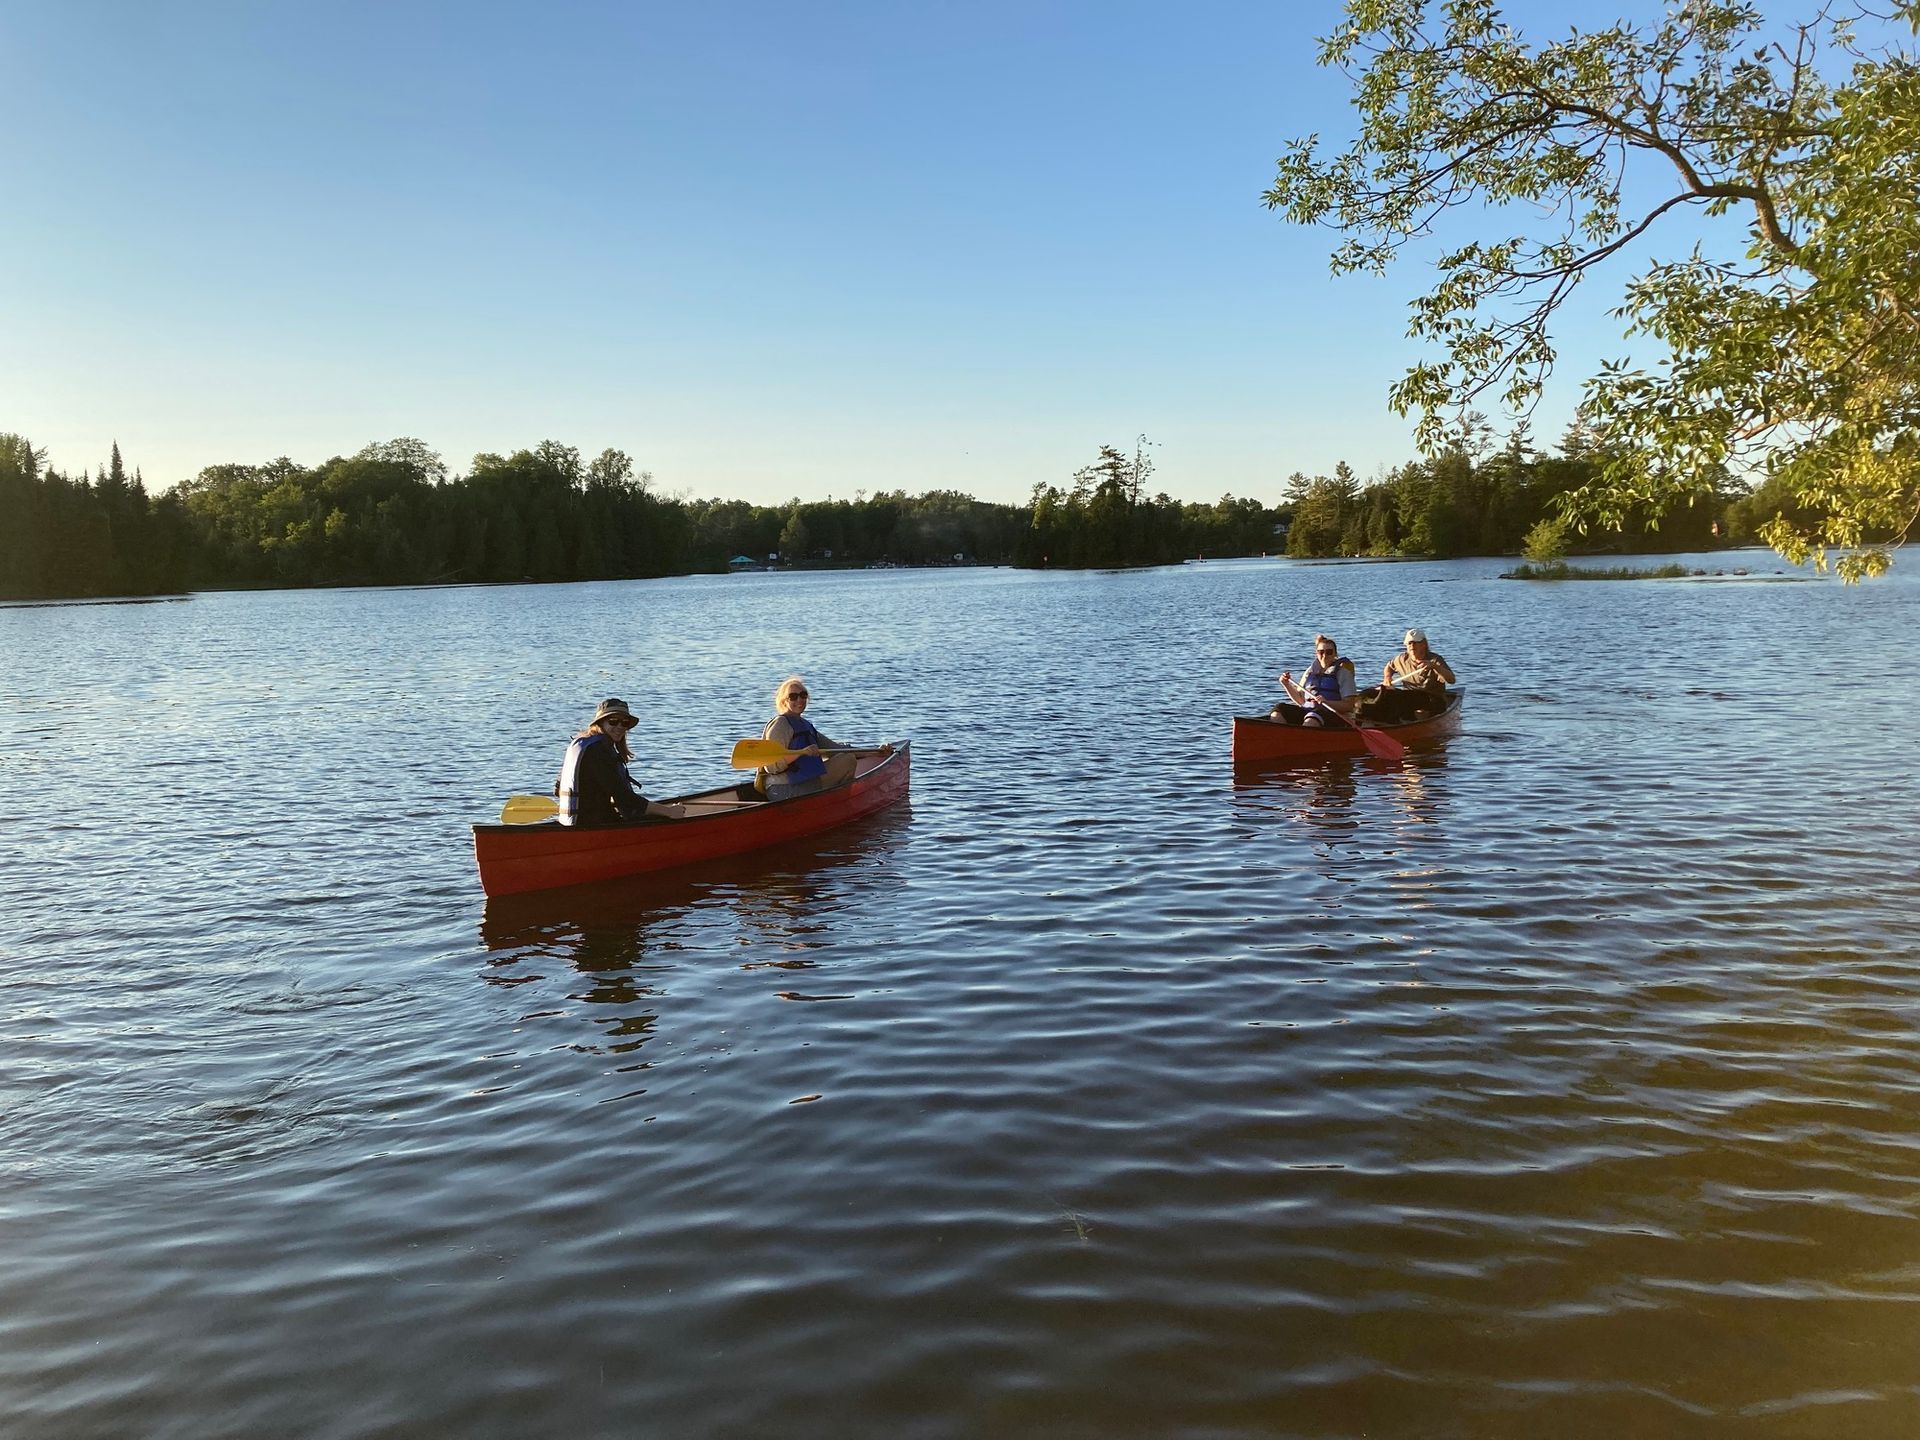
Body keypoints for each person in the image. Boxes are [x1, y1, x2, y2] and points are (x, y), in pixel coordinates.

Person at [555, 698, 686, 825]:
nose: (620, 727)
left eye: (624, 723)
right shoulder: (598, 751)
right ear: (601, 723)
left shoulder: (582, 744)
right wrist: (669, 811)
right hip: (592, 824)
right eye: (613, 721)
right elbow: (625, 798)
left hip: (572, 822)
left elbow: (558, 789)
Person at [757, 676, 892, 799]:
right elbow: (771, 766)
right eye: (793, 697)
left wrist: (876, 752)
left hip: (806, 782)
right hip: (782, 790)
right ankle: (844, 801)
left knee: (846, 756)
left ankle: (836, 801)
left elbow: (837, 749)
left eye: (803, 695)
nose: (799, 700)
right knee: (848, 761)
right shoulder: (780, 724)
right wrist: (801, 753)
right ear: (783, 701)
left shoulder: (804, 725)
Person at [1358, 628, 1458, 724]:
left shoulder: (1435, 659)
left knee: (1415, 705)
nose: (1412, 646)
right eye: (1409, 643)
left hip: (1433, 698)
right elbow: (1389, 667)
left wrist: (1435, 667)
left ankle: (1409, 721)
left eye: (1416, 642)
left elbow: (1451, 680)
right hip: (1411, 695)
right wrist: (1387, 678)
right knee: (1388, 695)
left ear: (1423, 644)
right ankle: (1384, 721)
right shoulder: (1401, 659)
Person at [1271, 634, 1358, 726]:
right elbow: (1301, 701)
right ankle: (1281, 737)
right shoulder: (1310, 671)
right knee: (1279, 708)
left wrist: (1327, 702)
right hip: (1308, 711)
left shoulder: (1343, 673)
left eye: (1329, 652)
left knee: (1312, 718)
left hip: (1332, 715)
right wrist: (1286, 684)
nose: (1324, 656)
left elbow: (1349, 705)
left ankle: (1301, 736)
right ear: (1316, 654)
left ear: (1335, 654)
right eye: (1321, 652)